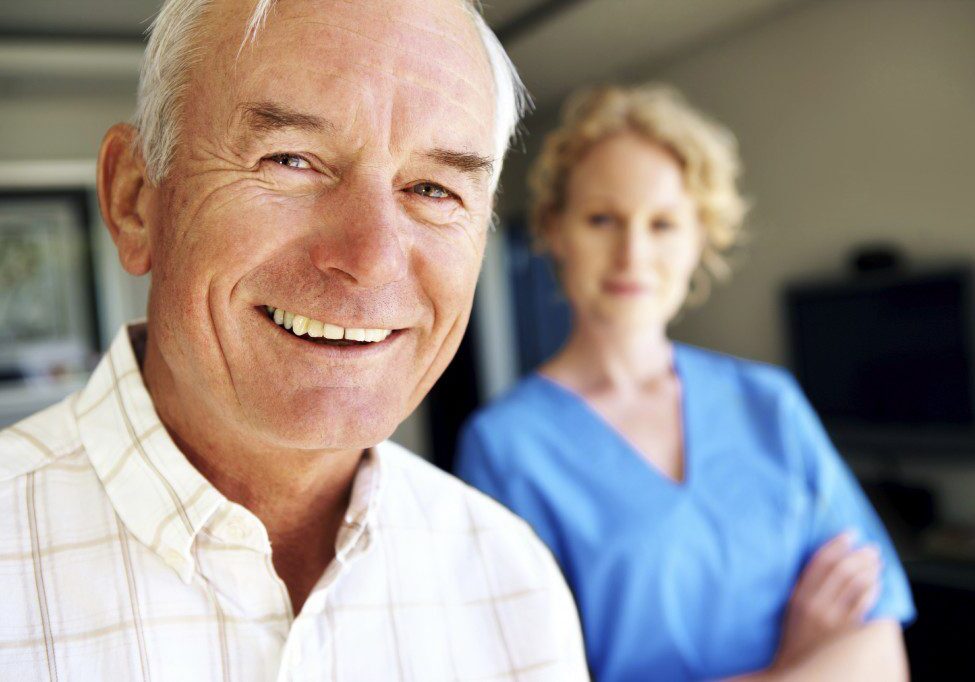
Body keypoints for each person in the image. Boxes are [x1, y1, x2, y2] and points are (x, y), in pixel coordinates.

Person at [0, 1, 589, 679]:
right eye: (292, 160)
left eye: (431, 188)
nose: (369, 257)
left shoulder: (510, 580)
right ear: (135, 199)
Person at [456, 85, 915, 681]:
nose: (633, 253)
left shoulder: (768, 404)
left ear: (700, 238)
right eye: (603, 220)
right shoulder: (506, 447)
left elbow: (879, 658)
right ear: (554, 229)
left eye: (664, 223)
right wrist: (785, 670)